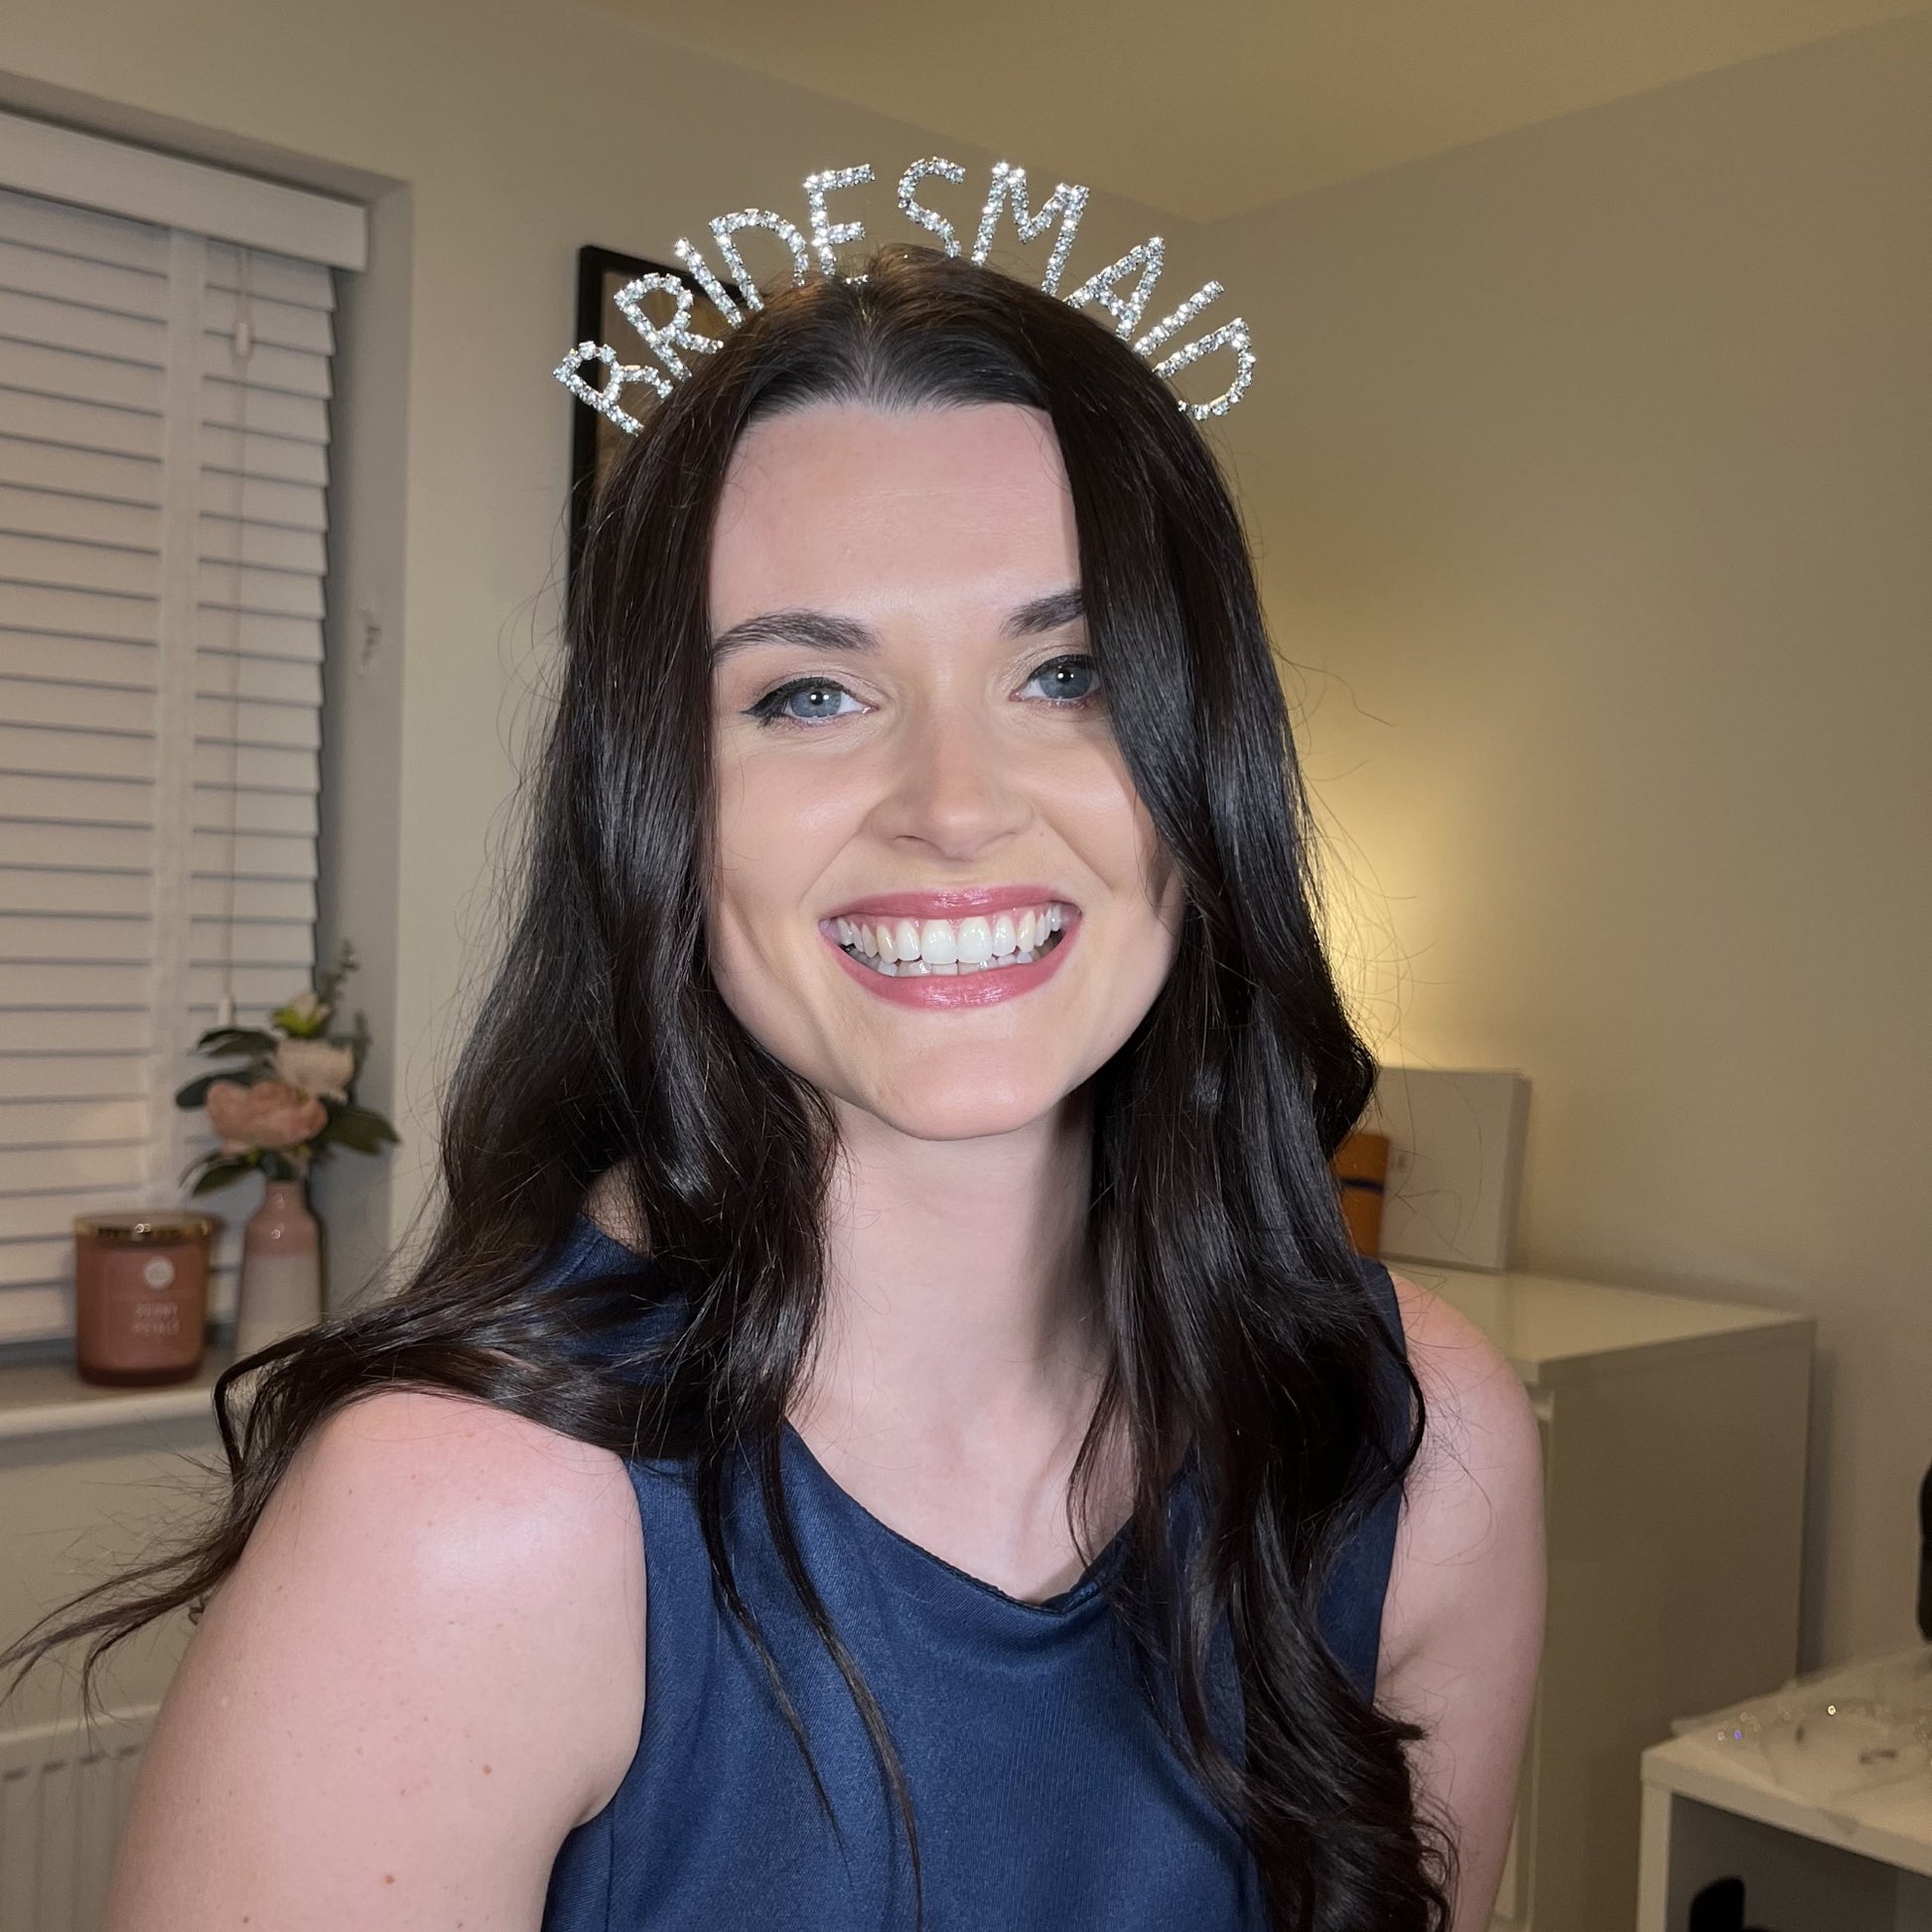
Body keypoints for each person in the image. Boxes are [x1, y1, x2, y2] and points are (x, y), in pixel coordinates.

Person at [3, 236, 1542, 1930]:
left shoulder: (1421, 1438)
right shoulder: (458, 1523)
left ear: (1205, 753)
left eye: (1068, 673)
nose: (953, 805)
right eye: (808, 693)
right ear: (659, 805)